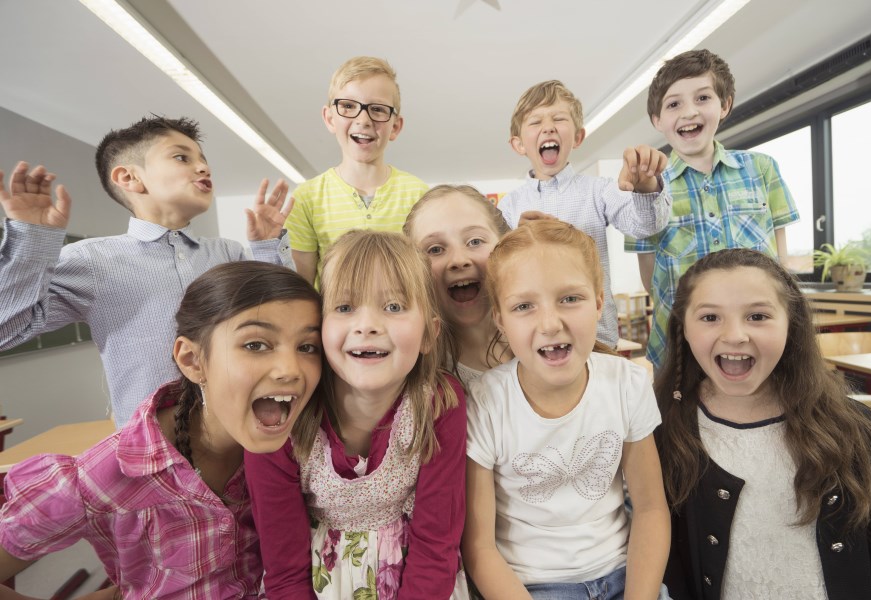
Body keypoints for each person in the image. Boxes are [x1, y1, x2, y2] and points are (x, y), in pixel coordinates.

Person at [0, 261, 323, 599]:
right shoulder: (107, 473)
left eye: (307, 347)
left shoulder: (306, 448)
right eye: (256, 344)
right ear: (192, 360)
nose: (291, 370)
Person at [0, 116, 294, 427]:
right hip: (150, 449)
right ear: (129, 178)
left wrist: (266, 247)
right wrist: (31, 241)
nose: (203, 168)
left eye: (203, 160)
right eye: (182, 157)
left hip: (239, 437)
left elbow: (286, 323)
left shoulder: (229, 254)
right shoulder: (92, 260)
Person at [655, 248, 871, 599]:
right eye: (710, 318)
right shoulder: (665, 432)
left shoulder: (856, 430)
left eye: (757, 316)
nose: (735, 335)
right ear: (683, 328)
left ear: (791, 322)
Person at [245, 230, 469, 599]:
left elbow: (436, 545)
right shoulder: (281, 414)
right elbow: (284, 570)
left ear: (429, 335)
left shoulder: (439, 402)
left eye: (393, 307)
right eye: (345, 307)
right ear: (319, 329)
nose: (367, 325)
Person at [463, 220, 670, 600]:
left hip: (626, 575)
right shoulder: (485, 402)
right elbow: (478, 547)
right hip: (531, 587)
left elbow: (651, 509)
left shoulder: (626, 384)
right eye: (524, 306)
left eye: (570, 299)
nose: (550, 323)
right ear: (500, 321)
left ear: (598, 303)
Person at [626, 49, 800, 370]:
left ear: (725, 105)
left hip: (756, 336)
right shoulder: (646, 188)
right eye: (674, 103)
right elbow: (651, 278)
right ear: (657, 120)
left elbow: (781, 262)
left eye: (703, 98)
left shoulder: (761, 169)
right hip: (680, 343)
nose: (689, 111)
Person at [500, 79, 671, 348]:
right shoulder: (508, 207)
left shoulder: (600, 190)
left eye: (559, 118)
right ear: (519, 144)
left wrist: (647, 187)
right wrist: (514, 242)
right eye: (535, 123)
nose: (548, 127)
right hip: (535, 340)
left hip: (597, 338)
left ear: (578, 137)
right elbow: (499, 274)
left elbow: (645, 227)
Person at [286, 56, 429, 286]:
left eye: (378, 109)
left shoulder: (419, 195)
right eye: (349, 106)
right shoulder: (306, 198)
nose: (363, 120)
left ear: (395, 126)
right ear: (329, 118)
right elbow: (301, 287)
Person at [403, 184, 513, 388]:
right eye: (435, 249)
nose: (459, 260)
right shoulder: (417, 374)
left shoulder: (544, 339)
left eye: (474, 241)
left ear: (506, 245)